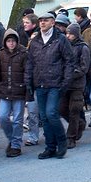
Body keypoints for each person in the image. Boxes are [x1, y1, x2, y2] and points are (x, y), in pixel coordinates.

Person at [26, 12, 75, 159]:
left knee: (51, 113)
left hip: (55, 83)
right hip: (39, 83)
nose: (42, 23)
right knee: (44, 117)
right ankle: (50, 147)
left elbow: (69, 61)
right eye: (40, 21)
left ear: (53, 22)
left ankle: (62, 142)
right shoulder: (35, 41)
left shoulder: (60, 39)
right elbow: (29, 63)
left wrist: (65, 81)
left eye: (46, 21)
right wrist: (28, 82)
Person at [0, 29, 31, 157]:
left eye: (13, 41)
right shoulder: (1, 54)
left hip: (19, 91)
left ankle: (16, 145)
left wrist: (28, 91)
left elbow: (27, 73)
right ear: (5, 42)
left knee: (17, 120)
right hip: (4, 91)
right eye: (8, 41)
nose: (11, 44)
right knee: (3, 116)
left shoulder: (23, 53)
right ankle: (12, 138)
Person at [61, 25, 90, 147]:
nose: (68, 36)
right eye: (67, 34)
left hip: (77, 84)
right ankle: (80, 123)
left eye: (70, 34)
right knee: (61, 108)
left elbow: (84, 67)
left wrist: (71, 74)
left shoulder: (83, 48)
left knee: (74, 110)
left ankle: (71, 137)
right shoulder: (64, 46)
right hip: (65, 84)